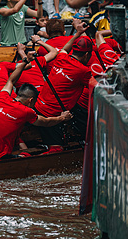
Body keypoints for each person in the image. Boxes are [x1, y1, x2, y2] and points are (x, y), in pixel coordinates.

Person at [0, 56, 72, 161]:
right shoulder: (26, 111)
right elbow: (46, 122)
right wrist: (62, 118)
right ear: (30, 100)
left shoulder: (2, 98)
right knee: (27, 156)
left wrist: (23, 63)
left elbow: (11, 81)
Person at [33, 20, 93, 150]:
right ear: (87, 54)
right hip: (53, 114)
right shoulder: (84, 71)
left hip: (39, 106)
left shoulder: (61, 57)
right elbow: (99, 89)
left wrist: (78, 33)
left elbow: (64, 49)